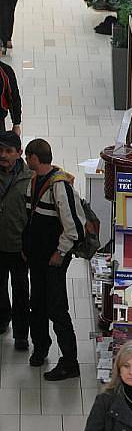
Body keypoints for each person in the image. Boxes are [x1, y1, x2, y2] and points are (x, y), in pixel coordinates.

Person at [23, 138, 85, 379]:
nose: (26, 161)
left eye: (28, 157)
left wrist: (60, 253)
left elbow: (73, 228)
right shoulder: (35, 180)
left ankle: (70, 362)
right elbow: (32, 218)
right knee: (37, 303)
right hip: (37, 258)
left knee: (57, 308)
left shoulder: (59, 185)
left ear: (34, 158)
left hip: (53, 260)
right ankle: (40, 348)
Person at [0, 130, 33, 349]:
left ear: (19, 153)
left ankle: (21, 334)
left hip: (19, 246)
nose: (3, 155)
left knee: (21, 290)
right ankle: (2, 320)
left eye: (8, 151)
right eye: (0, 150)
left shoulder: (30, 176)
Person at [0, 58, 21, 134]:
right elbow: (14, 98)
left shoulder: (5, 71)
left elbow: (14, 98)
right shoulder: (6, 70)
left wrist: (16, 123)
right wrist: (16, 124)